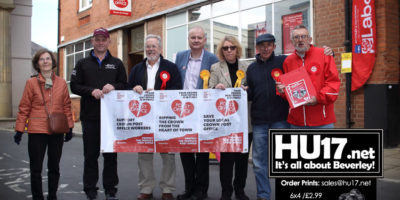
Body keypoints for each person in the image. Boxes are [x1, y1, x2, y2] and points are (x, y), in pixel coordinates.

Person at [70, 27, 127, 200]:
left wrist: (114, 87)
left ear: (109, 41)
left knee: (110, 154)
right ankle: (90, 188)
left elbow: (125, 84)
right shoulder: (82, 64)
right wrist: (90, 90)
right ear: (92, 41)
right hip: (90, 117)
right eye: (97, 39)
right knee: (91, 155)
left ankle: (110, 189)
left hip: (111, 118)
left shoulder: (117, 63)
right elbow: (74, 86)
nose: (100, 42)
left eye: (104, 39)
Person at [14, 49, 74, 200]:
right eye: (42, 59)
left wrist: (70, 126)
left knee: (54, 167)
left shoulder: (61, 82)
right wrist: (20, 129)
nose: (46, 61)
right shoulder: (31, 83)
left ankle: (52, 196)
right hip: (36, 130)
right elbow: (24, 107)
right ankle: (37, 197)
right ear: (37, 64)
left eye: (48, 58)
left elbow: (66, 106)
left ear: (53, 62)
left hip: (57, 130)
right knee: (36, 168)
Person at [128, 34, 182, 200]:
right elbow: (127, 88)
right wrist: (134, 88)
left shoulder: (171, 67)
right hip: (144, 117)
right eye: (148, 47)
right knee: (144, 153)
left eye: (153, 46)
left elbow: (178, 88)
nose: (150, 49)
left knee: (168, 153)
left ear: (160, 49)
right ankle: (146, 188)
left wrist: (160, 94)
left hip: (165, 116)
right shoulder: (136, 68)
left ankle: (167, 189)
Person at [174, 26, 219, 200]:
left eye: (199, 37)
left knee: (201, 153)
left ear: (204, 40)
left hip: (202, 112)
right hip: (183, 112)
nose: (196, 40)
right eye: (193, 37)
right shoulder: (180, 56)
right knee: (185, 152)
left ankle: (201, 190)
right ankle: (189, 188)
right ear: (189, 39)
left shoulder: (212, 58)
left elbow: (215, 83)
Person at [208, 36, 252, 200]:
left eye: (232, 47)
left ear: (237, 49)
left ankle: (240, 191)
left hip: (244, 122)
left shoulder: (247, 67)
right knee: (226, 161)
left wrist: (246, 89)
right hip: (225, 123)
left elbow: (253, 90)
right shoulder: (215, 67)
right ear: (221, 50)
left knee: (242, 161)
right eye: (225, 48)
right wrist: (216, 88)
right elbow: (209, 90)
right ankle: (226, 192)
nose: (228, 50)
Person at [277, 24, 340, 128]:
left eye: (303, 36)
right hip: (297, 122)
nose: (300, 40)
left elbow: (333, 83)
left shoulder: (324, 55)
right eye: (296, 37)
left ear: (309, 39)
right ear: (292, 41)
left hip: (321, 121)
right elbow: (287, 90)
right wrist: (282, 91)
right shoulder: (288, 61)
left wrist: (318, 99)